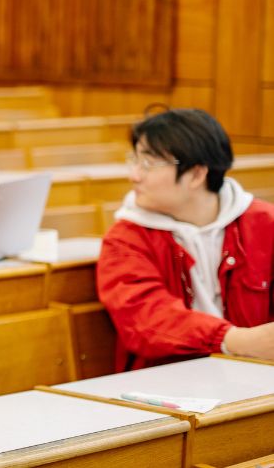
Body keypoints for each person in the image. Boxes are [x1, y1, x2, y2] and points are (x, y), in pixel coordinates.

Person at [98, 108, 274, 371]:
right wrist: (234, 340)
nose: (134, 175)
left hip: (255, 375)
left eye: (148, 163)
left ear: (196, 174)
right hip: (166, 382)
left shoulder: (263, 223)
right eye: (134, 160)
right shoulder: (126, 238)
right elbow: (147, 317)